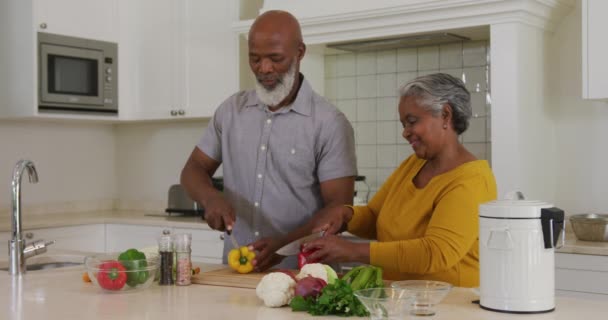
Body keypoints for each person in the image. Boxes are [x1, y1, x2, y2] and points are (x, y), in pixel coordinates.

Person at [180, 10, 357, 271]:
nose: (264, 68)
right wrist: (211, 199)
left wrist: (283, 246)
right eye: (255, 59)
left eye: (276, 58)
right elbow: (193, 168)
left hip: (304, 275)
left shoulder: (329, 123)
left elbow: (339, 210)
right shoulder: (230, 111)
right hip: (235, 271)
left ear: (300, 53)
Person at [300, 73, 497, 287]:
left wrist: (353, 250)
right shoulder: (413, 165)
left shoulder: (471, 180)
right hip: (404, 300)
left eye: (412, 122)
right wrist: (346, 215)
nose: (405, 133)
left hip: (449, 306)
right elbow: (376, 216)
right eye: (403, 124)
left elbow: (435, 252)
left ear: (445, 115)